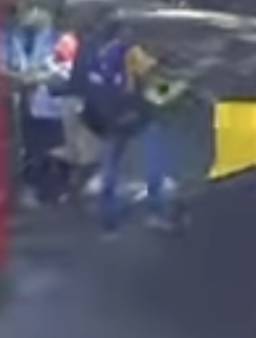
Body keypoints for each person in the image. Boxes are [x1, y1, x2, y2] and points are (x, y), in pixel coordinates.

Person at [66, 19, 183, 234]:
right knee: (155, 161)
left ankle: (108, 221)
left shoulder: (89, 53)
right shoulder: (129, 52)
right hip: (134, 114)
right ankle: (157, 212)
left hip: (107, 118)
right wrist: (169, 70)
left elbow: (78, 84)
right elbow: (153, 75)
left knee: (110, 168)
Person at [5, 8, 70, 206]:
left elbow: (64, 68)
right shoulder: (13, 37)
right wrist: (20, 76)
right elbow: (11, 63)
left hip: (49, 102)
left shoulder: (57, 38)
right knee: (32, 148)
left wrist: (41, 76)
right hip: (25, 100)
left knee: (51, 147)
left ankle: (53, 190)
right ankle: (36, 188)